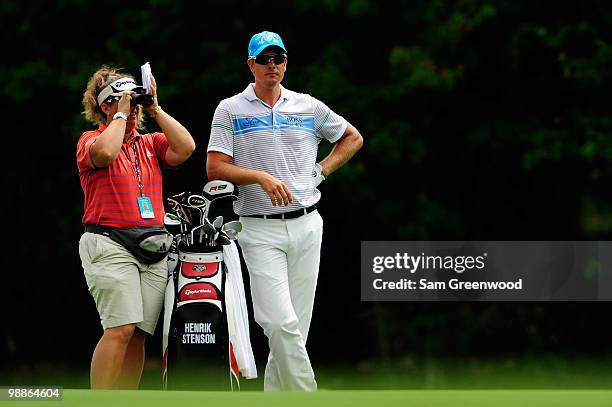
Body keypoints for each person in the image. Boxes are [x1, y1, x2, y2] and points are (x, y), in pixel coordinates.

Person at [206, 31, 363, 391]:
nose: (272, 65)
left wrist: (322, 170)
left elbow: (351, 137)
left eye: (278, 58)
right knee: (279, 324)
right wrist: (259, 177)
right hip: (258, 228)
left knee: (296, 328)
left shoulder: (308, 106)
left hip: (307, 224)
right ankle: (309, 396)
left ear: (286, 62)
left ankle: (276, 398)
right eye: (264, 59)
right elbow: (215, 167)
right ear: (251, 65)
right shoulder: (231, 109)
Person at [76, 66, 195, 389]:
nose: (133, 109)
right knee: (120, 329)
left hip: (152, 247)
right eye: (123, 101)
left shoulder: (150, 143)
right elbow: (105, 154)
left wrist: (155, 108)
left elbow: (186, 148)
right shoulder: (91, 139)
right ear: (105, 106)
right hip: (110, 243)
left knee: (139, 334)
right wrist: (119, 117)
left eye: (136, 102)